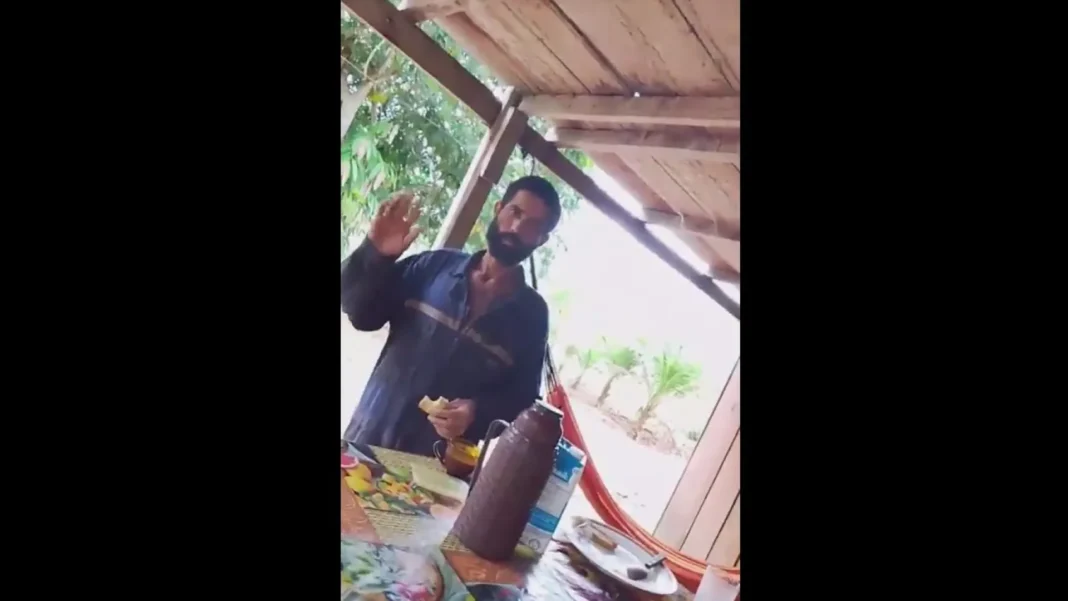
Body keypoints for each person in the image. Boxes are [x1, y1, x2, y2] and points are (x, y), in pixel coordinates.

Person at [340, 176, 561, 456]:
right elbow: (362, 315)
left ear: (542, 239)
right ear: (498, 209)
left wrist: (476, 413)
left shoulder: (532, 317)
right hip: (366, 440)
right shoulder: (433, 267)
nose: (516, 228)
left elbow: (522, 398)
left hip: (436, 466)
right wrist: (375, 254)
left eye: (532, 225)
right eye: (514, 212)